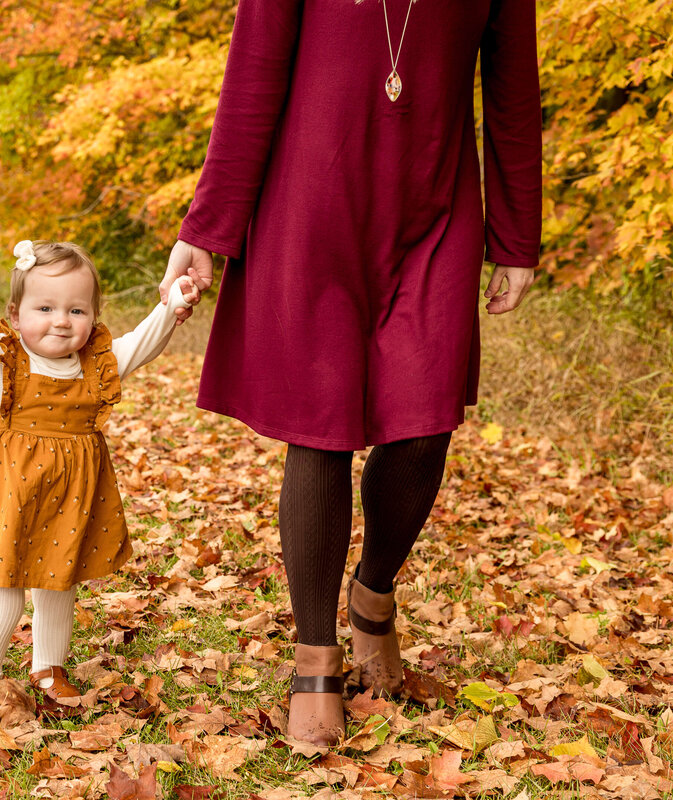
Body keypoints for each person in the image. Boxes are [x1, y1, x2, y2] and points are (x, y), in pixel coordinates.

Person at [160, 0, 542, 745]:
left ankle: (374, 591)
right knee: (322, 428)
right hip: (311, 199)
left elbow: (514, 93)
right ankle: (315, 655)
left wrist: (517, 234)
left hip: (436, 206)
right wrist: (207, 227)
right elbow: (252, 76)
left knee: (426, 424)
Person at [0, 240, 200, 704]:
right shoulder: (2, 360)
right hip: (7, 492)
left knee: (58, 586)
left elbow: (142, 343)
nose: (61, 320)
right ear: (15, 315)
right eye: (45, 308)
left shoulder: (96, 363)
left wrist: (172, 305)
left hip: (71, 496)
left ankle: (48, 669)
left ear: (93, 316)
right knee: (3, 591)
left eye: (77, 310)